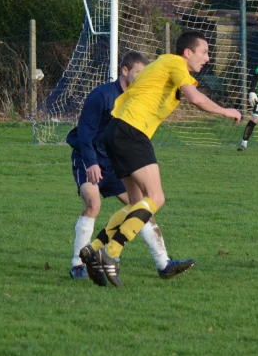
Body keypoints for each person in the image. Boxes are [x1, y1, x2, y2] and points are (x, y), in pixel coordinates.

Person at [80, 31, 242, 287]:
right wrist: (227, 111)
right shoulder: (176, 63)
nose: (208, 58)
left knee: (137, 205)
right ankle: (111, 252)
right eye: (204, 52)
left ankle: (94, 248)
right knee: (156, 198)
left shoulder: (162, 67)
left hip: (116, 131)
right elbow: (195, 98)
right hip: (131, 132)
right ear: (187, 52)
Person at [67, 51, 187, 285]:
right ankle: (78, 263)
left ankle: (163, 263)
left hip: (114, 160)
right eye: (139, 72)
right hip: (88, 157)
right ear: (124, 70)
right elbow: (84, 131)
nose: (144, 76)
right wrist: (91, 161)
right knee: (93, 203)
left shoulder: (138, 97)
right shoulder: (101, 95)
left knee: (141, 206)